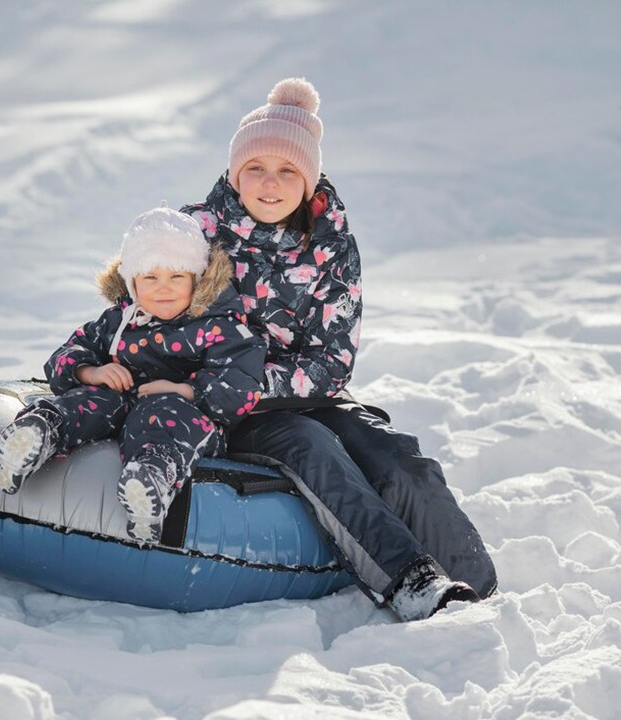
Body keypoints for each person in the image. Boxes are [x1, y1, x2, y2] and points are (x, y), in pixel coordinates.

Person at [180, 77, 497, 621]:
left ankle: (480, 589)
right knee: (314, 449)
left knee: (399, 460)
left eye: (287, 171)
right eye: (255, 168)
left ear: (308, 180)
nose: (270, 184)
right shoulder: (196, 235)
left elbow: (333, 358)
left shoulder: (331, 245)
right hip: (233, 403)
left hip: (312, 393)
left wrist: (280, 382)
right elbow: (149, 310)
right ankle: (411, 582)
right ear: (235, 174)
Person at [0, 206, 266, 544]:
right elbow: (65, 355)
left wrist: (185, 390)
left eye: (176, 276)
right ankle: (38, 434)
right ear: (132, 282)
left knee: (164, 412)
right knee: (94, 399)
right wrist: (92, 371)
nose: (163, 288)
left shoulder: (220, 326)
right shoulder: (119, 321)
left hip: (185, 416)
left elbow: (241, 386)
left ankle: (151, 480)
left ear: (196, 277)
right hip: (120, 404)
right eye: (150, 277)